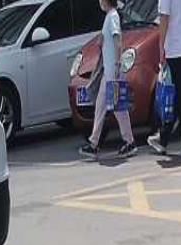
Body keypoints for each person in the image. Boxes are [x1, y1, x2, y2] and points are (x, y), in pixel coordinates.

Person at [78, 0, 137, 160]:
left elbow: (118, 40)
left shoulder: (112, 16)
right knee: (101, 106)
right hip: (108, 71)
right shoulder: (109, 17)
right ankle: (94, 143)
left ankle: (129, 142)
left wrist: (118, 63)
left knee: (118, 108)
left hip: (113, 71)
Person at [147, 0, 181, 159]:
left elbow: (164, 18)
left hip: (175, 47)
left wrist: (161, 47)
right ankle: (163, 137)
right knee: (179, 94)